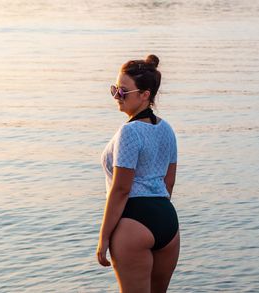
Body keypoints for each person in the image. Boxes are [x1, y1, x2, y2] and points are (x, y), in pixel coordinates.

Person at [97, 54, 180, 292]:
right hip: (167, 221)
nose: (116, 97)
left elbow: (121, 189)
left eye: (123, 92)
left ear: (145, 95)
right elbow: (169, 182)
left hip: (134, 222)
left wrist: (103, 238)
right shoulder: (167, 129)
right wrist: (158, 216)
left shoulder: (129, 132)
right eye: (114, 89)